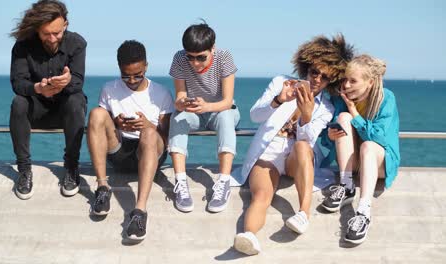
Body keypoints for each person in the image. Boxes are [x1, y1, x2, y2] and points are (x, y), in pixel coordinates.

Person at [233, 34, 354, 255]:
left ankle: (303, 214)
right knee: (260, 195)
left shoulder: (325, 107)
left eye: (325, 77)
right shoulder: (281, 83)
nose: (317, 79)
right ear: (305, 67)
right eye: (314, 72)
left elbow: (307, 141)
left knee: (301, 147)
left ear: (331, 81)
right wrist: (279, 100)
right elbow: (255, 115)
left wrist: (307, 116)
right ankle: (248, 236)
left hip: (296, 157)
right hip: (268, 152)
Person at [87, 40, 174, 242]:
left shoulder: (160, 93)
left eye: (137, 75)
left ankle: (139, 211)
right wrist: (117, 124)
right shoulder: (109, 89)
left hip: (150, 152)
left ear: (146, 66)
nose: (132, 80)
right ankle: (102, 187)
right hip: (120, 150)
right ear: (119, 68)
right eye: (126, 76)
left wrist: (147, 126)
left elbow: (167, 137)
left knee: (149, 134)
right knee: (97, 114)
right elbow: (100, 126)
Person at [9, 0, 87, 200]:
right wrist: (38, 88)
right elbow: (18, 83)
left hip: (66, 111)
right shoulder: (22, 46)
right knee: (18, 102)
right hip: (37, 108)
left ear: (65, 25)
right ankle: (24, 170)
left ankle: (71, 167)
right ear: (37, 29)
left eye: (57, 33)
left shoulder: (77, 43)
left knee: (76, 100)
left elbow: (77, 82)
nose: (52, 39)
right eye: (46, 34)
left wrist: (67, 82)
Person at [320, 54, 400, 244]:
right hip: (354, 163)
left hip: (378, 162)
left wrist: (354, 111)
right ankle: (346, 185)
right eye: (345, 80)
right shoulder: (342, 99)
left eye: (352, 81)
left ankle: (363, 212)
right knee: (343, 119)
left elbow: (379, 138)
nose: (346, 85)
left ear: (370, 82)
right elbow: (329, 138)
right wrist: (329, 136)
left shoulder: (385, 98)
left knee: (368, 146)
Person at [168, 22, 240, 213]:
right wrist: (182, 104)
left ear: (212, 49)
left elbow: (227, 101)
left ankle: (223, 182)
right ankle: (181, 182)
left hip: (220, 109)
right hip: (195, 112)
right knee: (177, 117)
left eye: (201, 57)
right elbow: (179, 97)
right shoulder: (179, 58)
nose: (195, 63)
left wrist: (207, 106)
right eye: (190, 57)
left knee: (225, 116)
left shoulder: (224, 58)